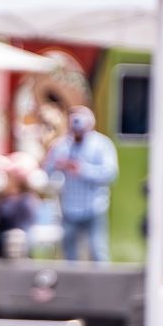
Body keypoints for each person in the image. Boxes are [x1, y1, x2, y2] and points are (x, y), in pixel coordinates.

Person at [45, 106, 118, 262]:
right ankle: (71, 286)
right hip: (69, 208)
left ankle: (102, 285)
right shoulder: (61, 145)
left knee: (97, 250)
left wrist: (82, 169)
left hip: (94, 207)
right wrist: (58, 165)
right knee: (69, 254)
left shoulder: (102, 144)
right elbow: (48, 171)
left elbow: (111, 173)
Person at [0, 156, 40, 258]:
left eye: (8, 177)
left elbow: (5, 212)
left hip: (15, 250)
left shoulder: (26, 200)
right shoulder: (7, 197)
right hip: (0, 249)